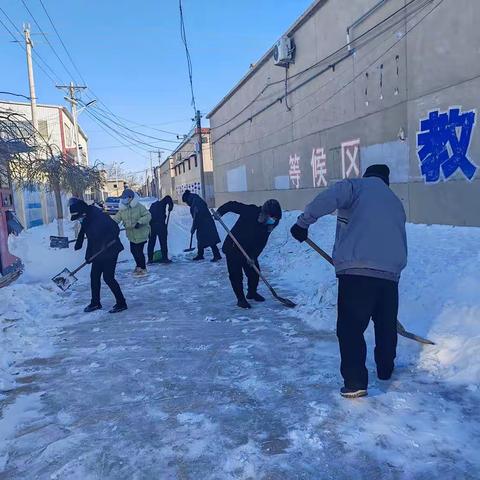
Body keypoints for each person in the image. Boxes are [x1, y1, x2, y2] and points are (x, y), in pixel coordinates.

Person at [290, 164, 407, 399]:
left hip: (357, 272)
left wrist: (303, 223)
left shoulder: (355, 187)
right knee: (385, 325)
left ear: (367, 175)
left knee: (351, 328)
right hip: (390, 275)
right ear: (386, 180)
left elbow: (328, 198)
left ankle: (355, 383)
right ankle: (385, 370)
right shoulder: (395, 201)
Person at [215, 199, 282, 309]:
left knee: (255, 273)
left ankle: (252, 292)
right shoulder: (250, 211)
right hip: (234, 247)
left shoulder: (272, 223)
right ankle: (240, 299)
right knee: (236, 275)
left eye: (275, 219)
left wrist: (253, 256)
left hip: (250, 250)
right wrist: (220, 212)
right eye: (271, 218)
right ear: (264, 213)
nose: (273, 221)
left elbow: (262, 241)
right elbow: (232, 205)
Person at [69, 198, 127, 314]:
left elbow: (115, 228)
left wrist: (106, 242)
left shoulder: (98, 216)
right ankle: (95, 303)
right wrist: (88, 254)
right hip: (99, 251)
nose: (79, 220)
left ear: (82, 212)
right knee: (94, 276)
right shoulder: (87, 216)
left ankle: (121, 303)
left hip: (111, 249)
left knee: (108, 277)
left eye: (79, 217)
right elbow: (90, 237)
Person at [113, 189, 151, 276]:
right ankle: (139, 266)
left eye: (125, 198)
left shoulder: (139, 206)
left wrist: (139, 222)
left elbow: (148, 215)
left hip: (141, 233)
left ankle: (143, 268)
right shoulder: (123, 209)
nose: (123, 200)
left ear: (130, 198)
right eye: (122, 198)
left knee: (139, 252)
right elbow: (116, 219)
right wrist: (110, 224)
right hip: (131, 235)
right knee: (133, 251)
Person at [182, 190, 221, 262]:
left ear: (187, 199)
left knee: (210, 239)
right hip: (202, 223)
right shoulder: (195, 200)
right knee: (200, 239)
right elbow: (196, 217)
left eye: (186, 202)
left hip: (206, 223)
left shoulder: (196, 202)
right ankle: (200, 255)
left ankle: (217, 255)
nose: (187, 204)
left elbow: (198, 216)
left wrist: (194, 227)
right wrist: (194, 227)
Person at [148, 195, 174, 264]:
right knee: (163, 242)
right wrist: (171, 206)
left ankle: (150, 259)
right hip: (160, 225)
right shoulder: (162, 204)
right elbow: (168, 198)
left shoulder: (154, 204)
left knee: (151, 242)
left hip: (151, 225)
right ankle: (165, 258)